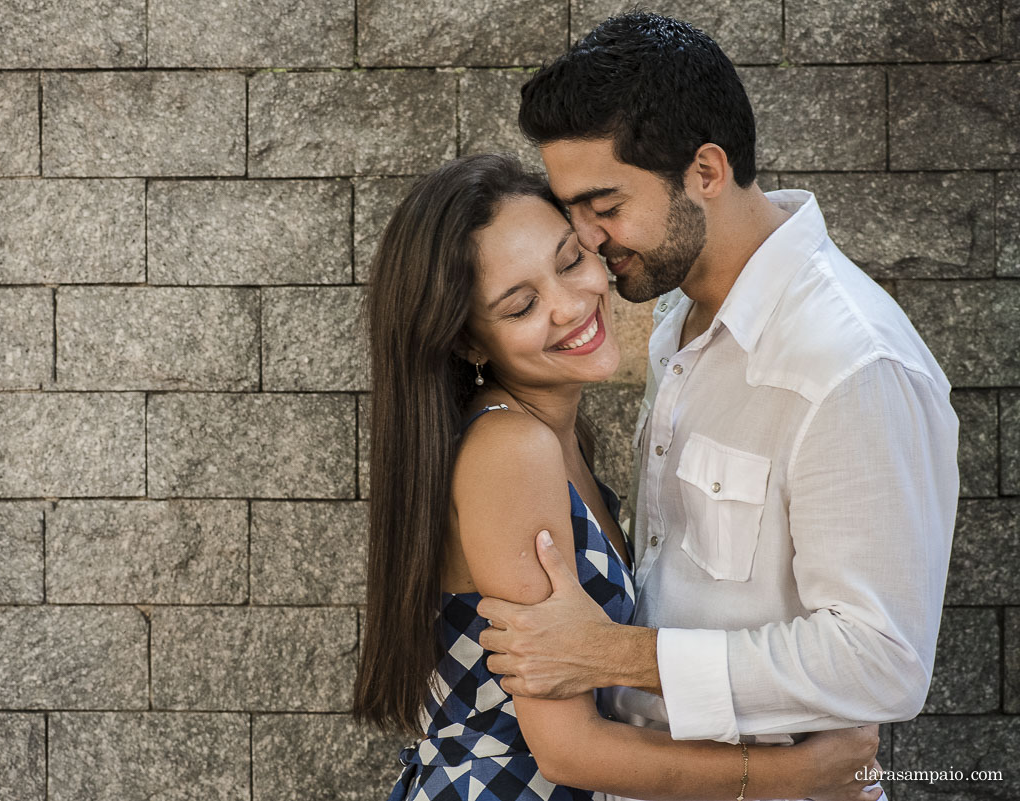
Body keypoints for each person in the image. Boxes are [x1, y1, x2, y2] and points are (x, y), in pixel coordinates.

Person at [473, 12, 959, 799]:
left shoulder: (850, 362)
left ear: (704, 170)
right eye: (575, 210)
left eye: (605, 203)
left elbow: (883, 660)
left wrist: (611, 655)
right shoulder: (680, 325)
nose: (589, 241)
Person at [352, 151, 883, 801]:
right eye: (521, 304)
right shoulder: (511, 449)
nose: (571, 303)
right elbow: (568, 745)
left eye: (570, 260)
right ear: (469, 341)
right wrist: (794, 776)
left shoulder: (553, 432)